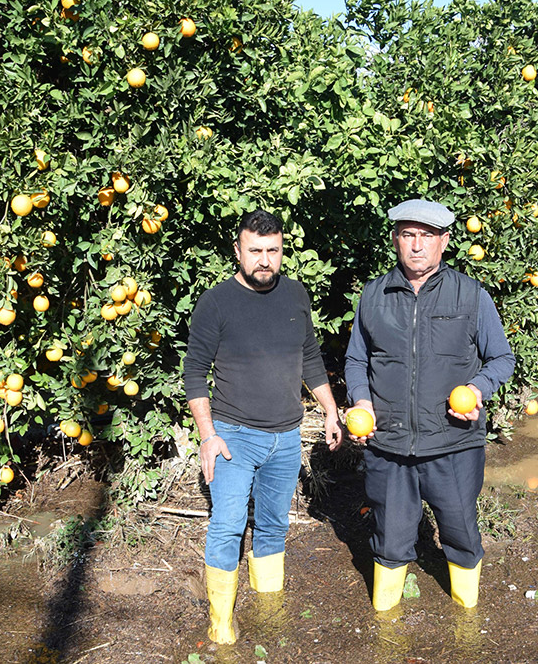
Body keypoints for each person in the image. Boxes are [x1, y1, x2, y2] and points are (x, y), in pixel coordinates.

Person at [345, 198, 515, 611]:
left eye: (426, 236)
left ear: (445, 241)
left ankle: (466, 620)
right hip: (389, 446)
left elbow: (501, 359)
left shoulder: (471, 295)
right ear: (394, 239)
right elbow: (356, 359)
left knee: (460, 532)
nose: (416, 246)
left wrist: (475, 390)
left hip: (454, 444)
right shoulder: (374, 295)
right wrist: (362, 402)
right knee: (389, 537)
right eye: (407, 235)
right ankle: (385, 621)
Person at [184, 209, 342, 644]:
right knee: (229, 524)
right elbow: (194, 371)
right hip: (233, 437)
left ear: (282, 251)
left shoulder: (295, 295)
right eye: (255, 251)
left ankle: (270, 607)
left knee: (273, 524)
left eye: (272, 251)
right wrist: (208, 435)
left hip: (287, 437)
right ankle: (221, 623)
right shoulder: (216, 302)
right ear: (238, 251)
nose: (264, 260)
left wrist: (328, 409)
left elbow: (309, 356)